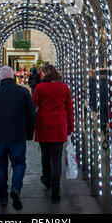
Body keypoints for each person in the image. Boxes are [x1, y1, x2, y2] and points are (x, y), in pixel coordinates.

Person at [0, 66, 36, 210]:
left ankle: (3, 197)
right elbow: (32, 115)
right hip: (17, 136)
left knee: (0, 166)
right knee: (19, 164)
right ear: (14, 77)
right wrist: (29, 133)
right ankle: (16, 188)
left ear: (0, 78)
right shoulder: (23, 92)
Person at [32, 64, 74, 203]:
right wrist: (71, 128)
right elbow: (69, 110)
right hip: (59, 125)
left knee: (45, 156)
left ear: (45, 74)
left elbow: (34, 106)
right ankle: (55, 191)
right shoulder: (64, 88)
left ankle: (47, 179)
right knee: (57, 159)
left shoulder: (39, 88)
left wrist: (31, 125)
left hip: (44, 125)